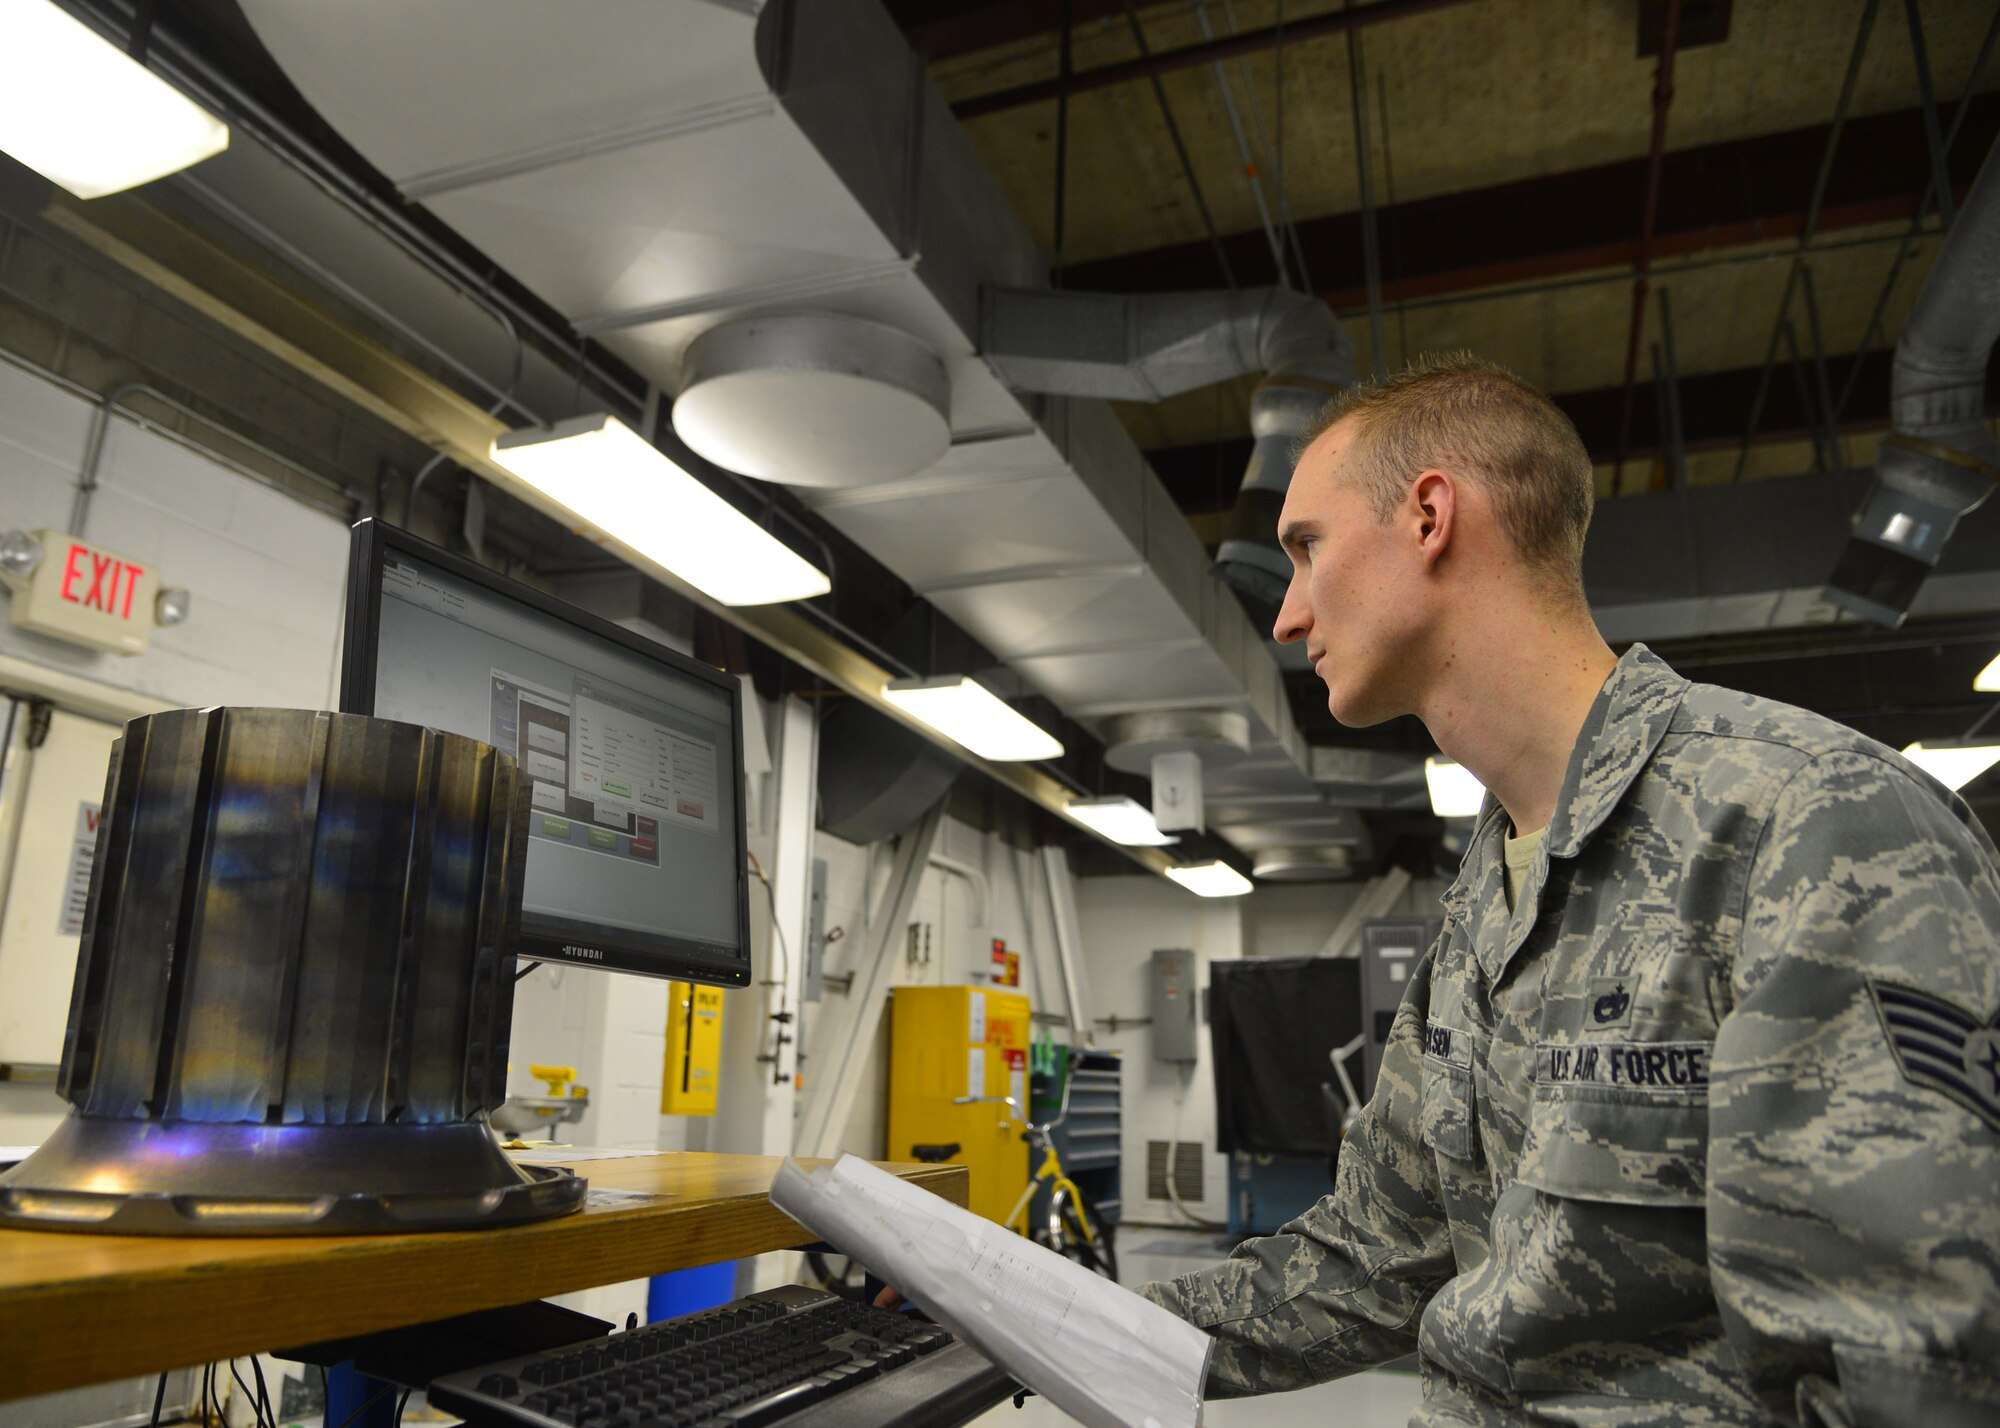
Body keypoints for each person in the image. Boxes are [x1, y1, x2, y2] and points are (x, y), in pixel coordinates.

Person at [1136, 353, 2000, 1426]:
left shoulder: (1808, 821)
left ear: (1427, 516)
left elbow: (1904, 1373)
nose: (1284, 616)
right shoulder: (1487, 895)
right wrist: (1061, 1322)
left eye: (1306, 548)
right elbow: (1377, 1254)